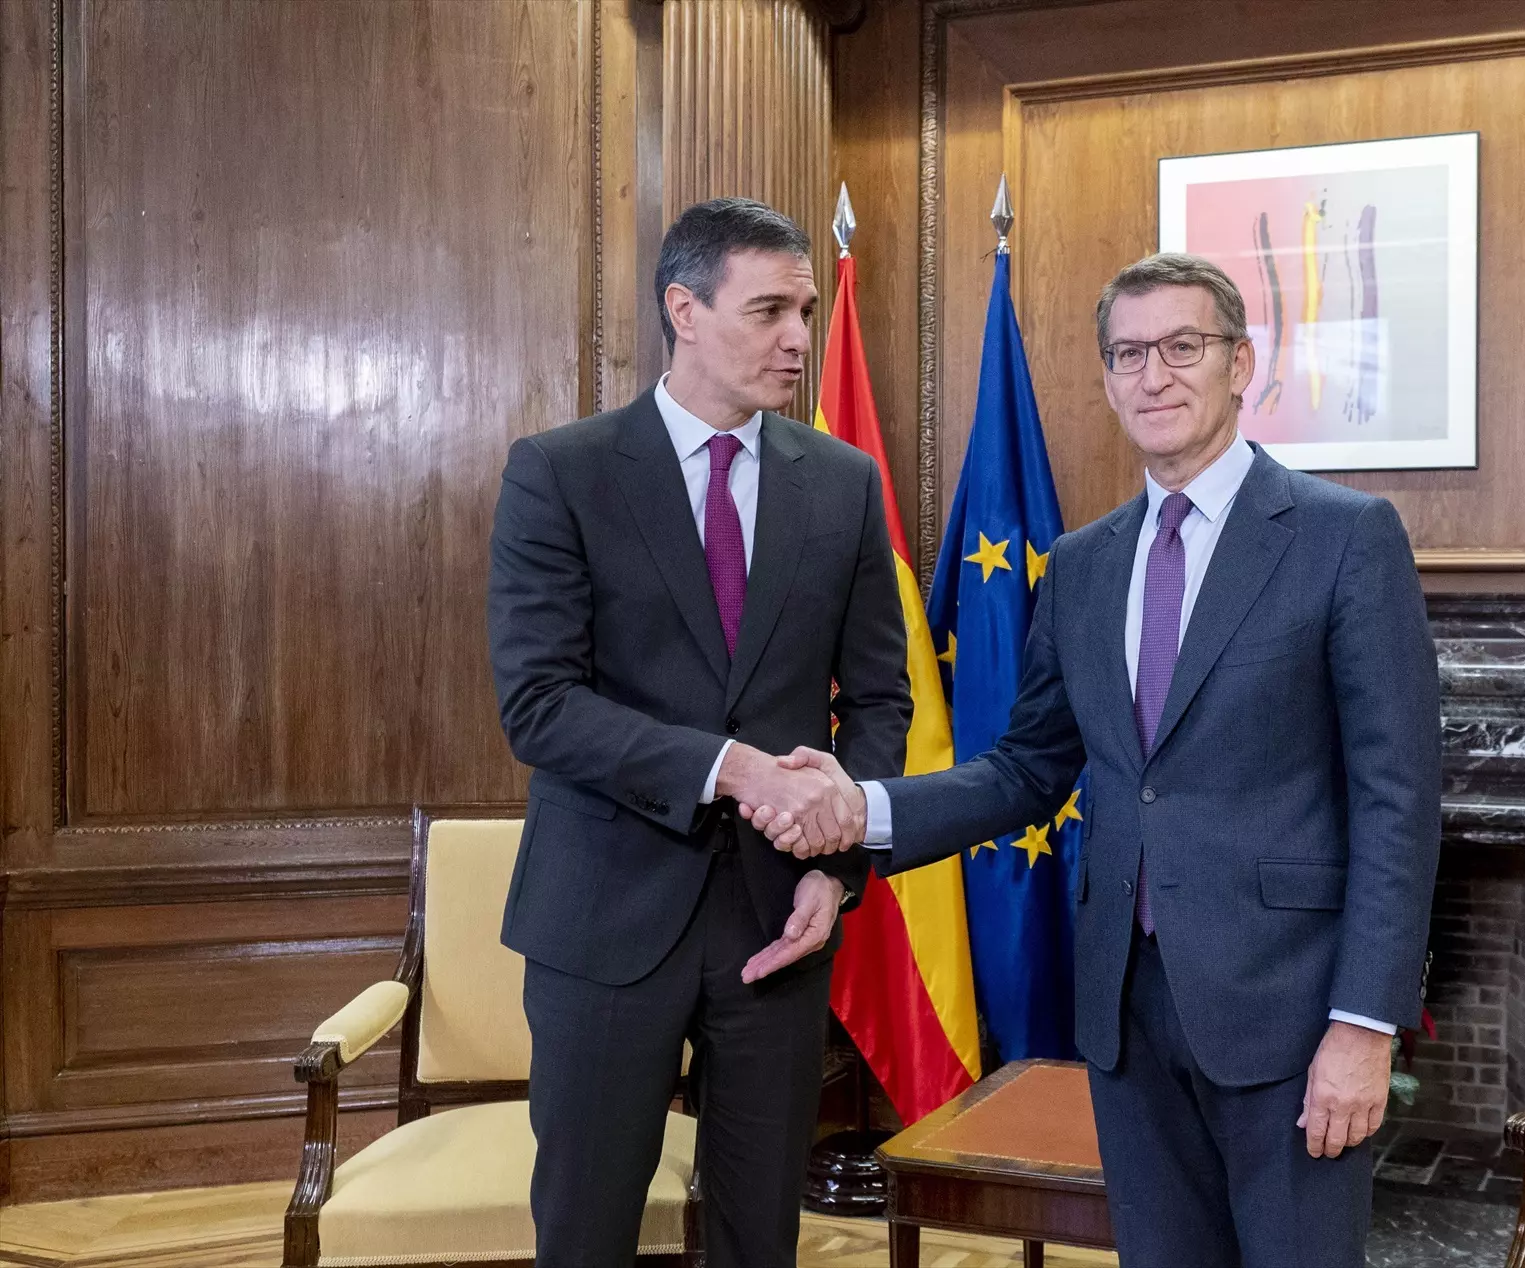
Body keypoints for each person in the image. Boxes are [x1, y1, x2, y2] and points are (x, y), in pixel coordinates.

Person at [743, 252, 1441, 1267]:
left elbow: (1399, 801)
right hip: (1125, 1008)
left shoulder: (1344, 538)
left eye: (1182, 347)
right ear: (1108, 376)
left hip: (1289, 1015)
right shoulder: (1081, 565)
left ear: (1240, 363)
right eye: (1127, 353)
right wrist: (864, 808)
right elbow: (1027, 767)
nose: (1153, 374)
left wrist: (1364, 1022)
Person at [486, 197, 911, 1268]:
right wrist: (727, 768)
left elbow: (879, 699)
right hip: (603, 920)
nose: (801, 338)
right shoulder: (562, 472)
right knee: (584, 1233)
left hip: (781, 917)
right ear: (684, 308)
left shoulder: (846, 484)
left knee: (759, 1234)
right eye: (769, 309)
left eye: (807, 310)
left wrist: (842, 871)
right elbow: (538, 703)